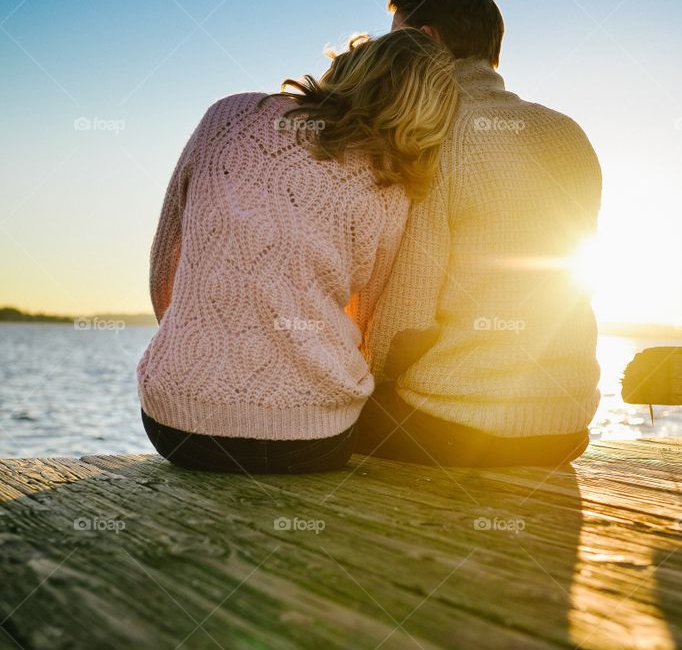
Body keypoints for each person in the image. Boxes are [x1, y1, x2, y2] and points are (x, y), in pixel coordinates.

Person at [137, 30, 458, 474]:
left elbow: (166, 260)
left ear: (351, 66)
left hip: (177, 427)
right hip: (313, 440)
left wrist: (201, 355)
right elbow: (367, 318)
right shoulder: (390, 182)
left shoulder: (230, 115)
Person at [352, 0, 602, 469]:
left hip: (455, 427)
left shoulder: (429, 134)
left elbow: (403, 322)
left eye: (396, 40)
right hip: (565, 427)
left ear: (424, 42)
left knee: (311, 415)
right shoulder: (568, 131)